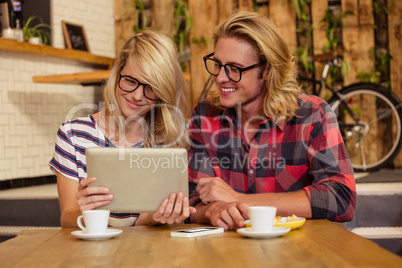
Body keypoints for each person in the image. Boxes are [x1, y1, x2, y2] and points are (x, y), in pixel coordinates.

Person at [187, 11, 356, 230]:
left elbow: (341, 198)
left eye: (234, 69)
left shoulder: (312, 115)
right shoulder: (204, 116)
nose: (220, 77)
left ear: (267, 70)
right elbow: (193, 200)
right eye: (217, 64)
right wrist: (211, 210)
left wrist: (237, 200)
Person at [49, 31, 195, 228]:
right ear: (117, 74)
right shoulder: (72, 135)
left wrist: (154, 218)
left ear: (162, 93)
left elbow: (143, 224)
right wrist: (85, 214)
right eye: (130, 81)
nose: (136, 96)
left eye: (151, 88)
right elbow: (67, 218)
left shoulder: (168, 143)